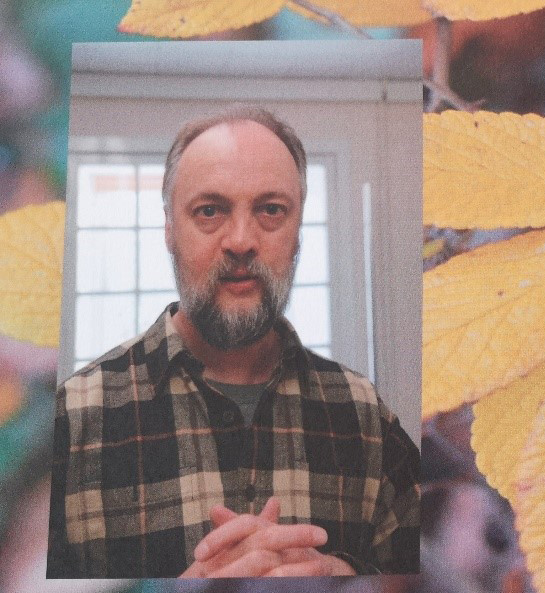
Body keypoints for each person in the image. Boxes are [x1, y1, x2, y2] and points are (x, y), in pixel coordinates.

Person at [47, 107, 421, 578]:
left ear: (298, 231)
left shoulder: (365, 412)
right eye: (210, 211)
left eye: (271, 210)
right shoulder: (73, 418)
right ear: (168, 229)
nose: (241, 240)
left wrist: (346, 578)